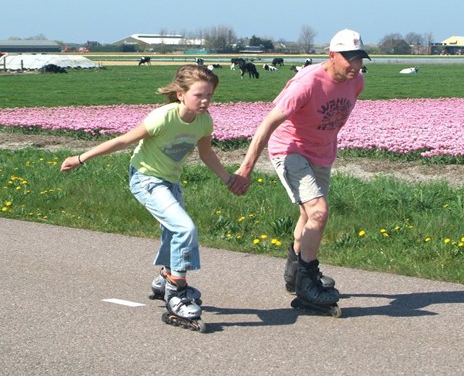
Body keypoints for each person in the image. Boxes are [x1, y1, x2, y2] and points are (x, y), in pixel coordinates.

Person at [60, 64, 248, 330]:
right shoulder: (163, 117)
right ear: (181, 94)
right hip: (146, 179)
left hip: (170, 181)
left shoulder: (204, 121)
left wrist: (228, 179)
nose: (205, 101)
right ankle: (176, 292)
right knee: (185, 228)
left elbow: (206, 154)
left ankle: (164, 278)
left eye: (210, 95)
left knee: (174, 232)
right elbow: (123, 141)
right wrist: (81, 158)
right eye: (199, 95)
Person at [234, 29, 370, 311]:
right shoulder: (306, 83)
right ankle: (307, 286)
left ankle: (295, 274)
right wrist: (246, 168)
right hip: (290, 149)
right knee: (319, 212)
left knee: (308, 215)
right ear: (332, 56)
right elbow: (268, 123)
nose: (355, 66)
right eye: (349, 59)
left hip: (321, 154)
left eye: (359, 59)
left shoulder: (356, 82)